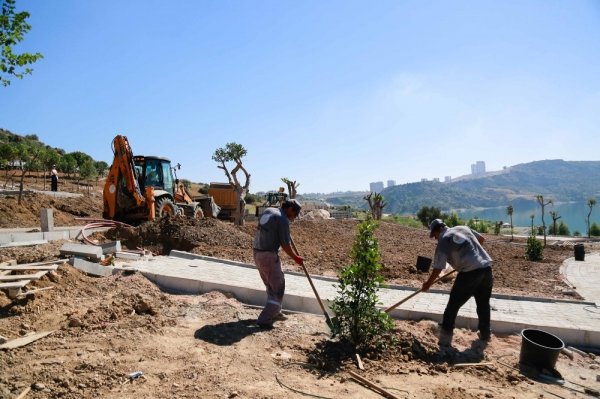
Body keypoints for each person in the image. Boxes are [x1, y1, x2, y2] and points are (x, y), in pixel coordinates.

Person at [422, 219, 494, 346]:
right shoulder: (463, 228)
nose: (435, 239)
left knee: (453, 305)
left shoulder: (443, 241)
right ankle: (485, 334)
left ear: (438, 230)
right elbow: (481, 239)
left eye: (435, 236)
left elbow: (438, 268)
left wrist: (427, 284)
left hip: (469, 274)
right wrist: (468, 257)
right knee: (483, 304)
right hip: (486, 269)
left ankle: (445, 337)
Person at [252, 199, 304, 328]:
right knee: (278, 287)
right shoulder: (282, 219)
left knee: (270, 285)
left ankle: (276, 311)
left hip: (257, 253)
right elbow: (285, 245)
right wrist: (295, 258)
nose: (294, 217)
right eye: (295, 214)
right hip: (268, 255)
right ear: (290, 209)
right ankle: (265, 318)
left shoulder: (270, 211)